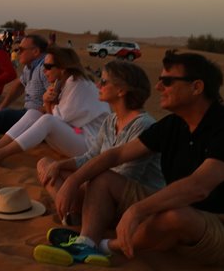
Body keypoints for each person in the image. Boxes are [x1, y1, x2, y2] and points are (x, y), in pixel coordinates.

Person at [36, 50, 224, 267]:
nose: (158, 88)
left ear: (196, 87)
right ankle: (86, 243)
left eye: (166, 82)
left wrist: (137, 210)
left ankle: (105, 246)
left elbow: (198, 187)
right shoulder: (173, 124)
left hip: (220, 223)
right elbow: (116, 154)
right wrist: (74, 180)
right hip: (176, 205)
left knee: (177, 217)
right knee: (103, 178)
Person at [36, 61, 164, 224]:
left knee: (97, 180)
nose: (98, 85)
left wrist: (75, 181)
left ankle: (79, 215)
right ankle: (75, 214)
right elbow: (91, 156)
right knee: (45, 164)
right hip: (101, 188)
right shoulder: (111, 120)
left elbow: (126, 176)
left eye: (103, 82)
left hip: (128, 200)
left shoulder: (143, 125)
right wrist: (60, 166)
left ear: (121, 90)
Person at [0, 46, 108, 167]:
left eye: (48, 67)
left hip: (91, 144)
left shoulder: (77, 84)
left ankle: (0, 154)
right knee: (34, 113)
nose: (44, 71)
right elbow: (55, 116)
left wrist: (47, 102)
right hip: (77, 132)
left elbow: (58, 119)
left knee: (47, 120)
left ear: (63, 68)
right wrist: (47, 103)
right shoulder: (63, 83)